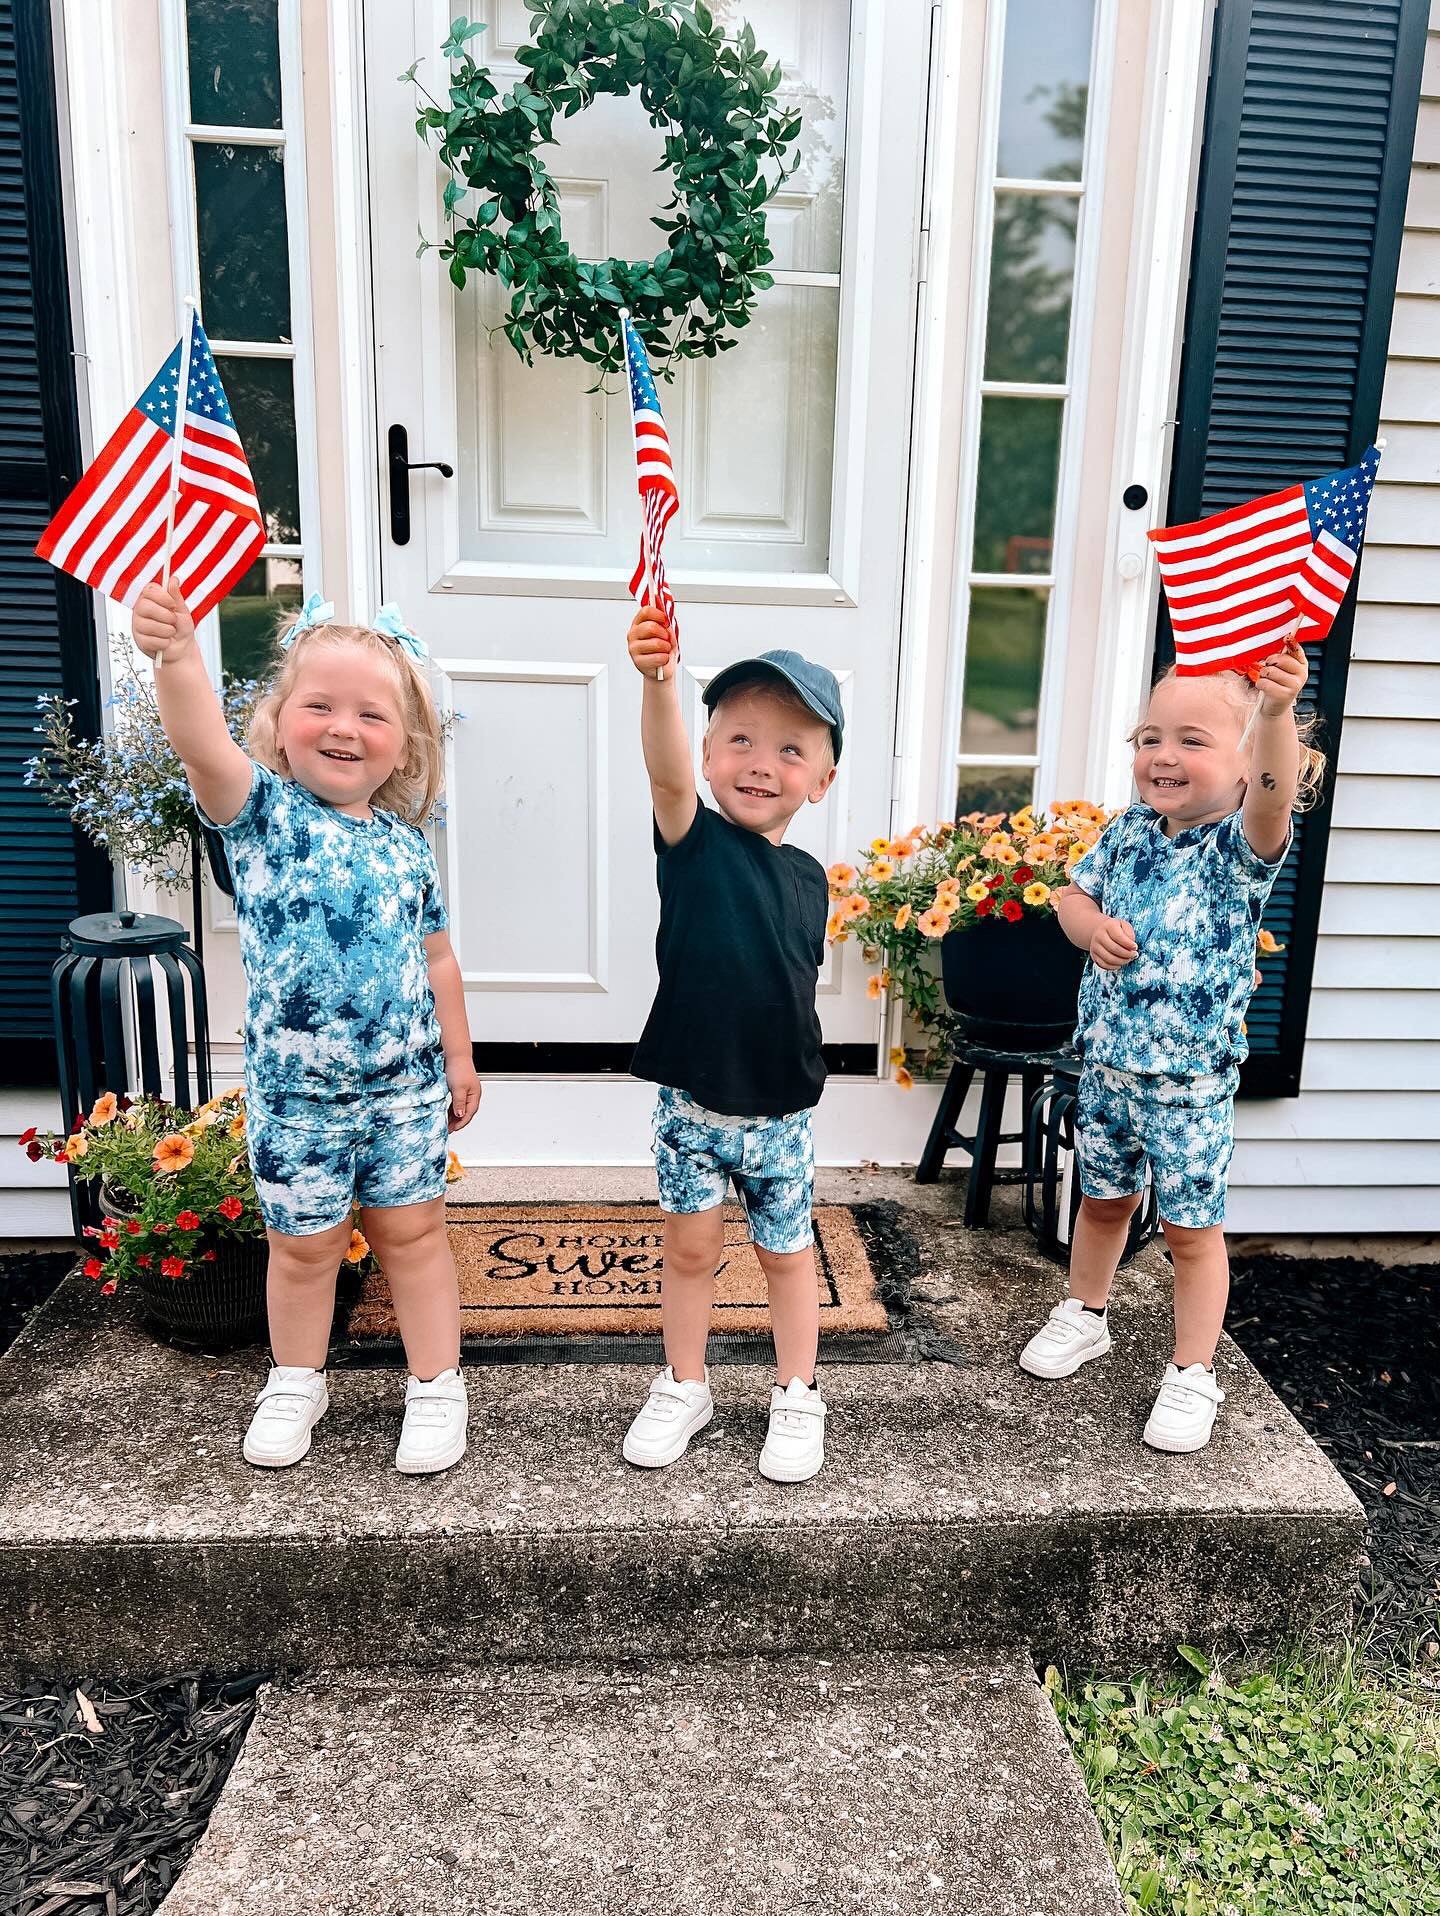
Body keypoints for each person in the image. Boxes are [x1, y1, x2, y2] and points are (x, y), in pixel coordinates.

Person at [130, 584, 480, 1474]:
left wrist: (459, 1055)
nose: (343, 727)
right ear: (279, 722)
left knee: (414, 1235)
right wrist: (177, 658)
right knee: (303, 1248)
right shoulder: (263, 817)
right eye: (318, 704)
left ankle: (437, 1385)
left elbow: (437, 959)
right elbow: (199, 745)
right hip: (298, 1094)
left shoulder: (407, 848)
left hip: (405, 1089)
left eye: (371, 713)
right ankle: (296, 1378)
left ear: (403, 745)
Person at [1017, 637, 1324, 1452]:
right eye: (1151, 737)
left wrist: (1277, 712)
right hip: (1111, 1066)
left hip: (1189, 1082)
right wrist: (1090, 930)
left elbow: (1270, 799)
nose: (1163, 755)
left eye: (1193, 740)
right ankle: (1086, 1312)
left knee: (1192, 1230)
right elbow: (1069, 895)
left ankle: (1193, 1372)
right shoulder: (1127, 834)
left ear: (1245, 759)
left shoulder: (1239, 848)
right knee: (1104, 1201)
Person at [621, 609, 841, 1483]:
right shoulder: (693, 840)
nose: (761, 763)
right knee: (689, 1251)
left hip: (781, 1109)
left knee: (788, 1256)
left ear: (821, 780)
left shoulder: (811, 878)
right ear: (709, 755)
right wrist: (659, 682)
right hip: (690, 1103)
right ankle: (685, 1383)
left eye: (791, 750)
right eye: (741, 739)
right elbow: (664, 773)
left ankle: (797, 1391)